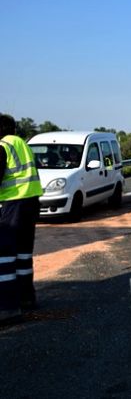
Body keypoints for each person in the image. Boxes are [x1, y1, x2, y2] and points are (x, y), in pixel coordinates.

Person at [0, 114, 43, 322]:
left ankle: (7, 307)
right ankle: (27, 298)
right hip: (31, 203)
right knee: (23, 254)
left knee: (5, 256)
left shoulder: (2, 146)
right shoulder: (23, 144)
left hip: (13, 204)